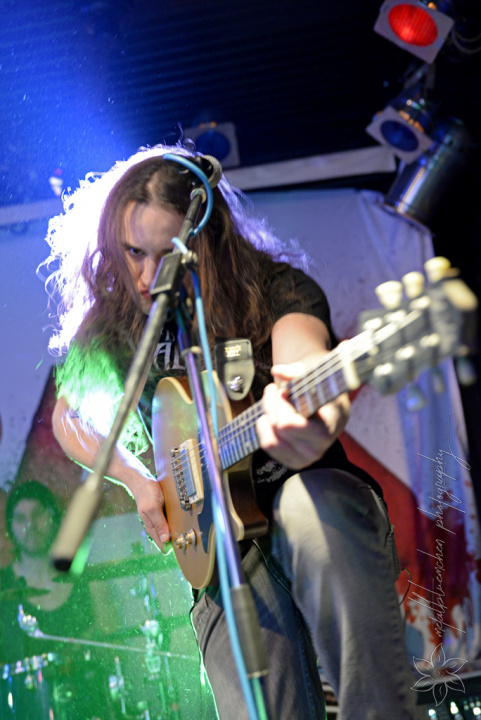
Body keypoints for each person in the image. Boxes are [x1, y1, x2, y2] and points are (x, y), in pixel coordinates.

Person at [42, 144, 417, 719]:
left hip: (306, 492)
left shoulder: (274, 288)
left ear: (205, 241)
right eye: (133, 253)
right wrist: (138, 481)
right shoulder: (120, 322)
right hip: (219, 542)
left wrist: (314, 418)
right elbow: (68, 419)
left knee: (314, 517)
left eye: (167, 255)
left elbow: (305, 356)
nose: (147, 277)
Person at [0, 480, 115, 719]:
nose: (30, 526)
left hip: (91, 706)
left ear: (53, 516)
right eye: (21, 519)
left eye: (38, 514)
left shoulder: (89, 578)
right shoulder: (3, 587)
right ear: (10, 526)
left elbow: (112, 645)